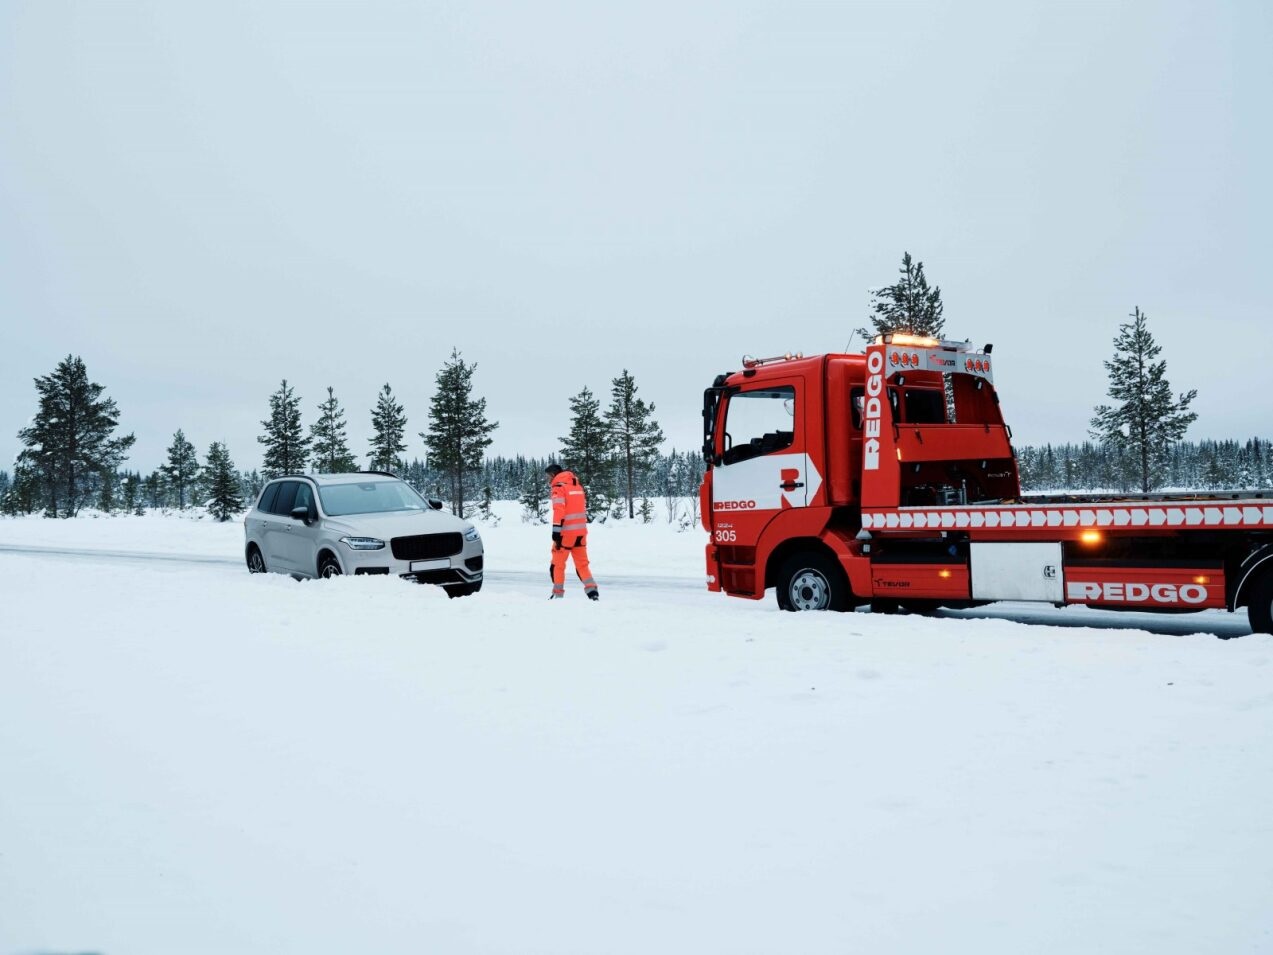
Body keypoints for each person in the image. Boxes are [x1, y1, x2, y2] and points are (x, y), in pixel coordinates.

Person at [546, 463, 599, 601]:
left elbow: (559, 510)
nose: (548, 480)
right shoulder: (578, 487)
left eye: (548, 476)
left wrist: (556, 531)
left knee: (557, 565)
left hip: (565, 535)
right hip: (580, 534)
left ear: (553, 474)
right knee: (582, 565)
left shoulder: (559, 488)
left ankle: (558, 595)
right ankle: (592, 592)